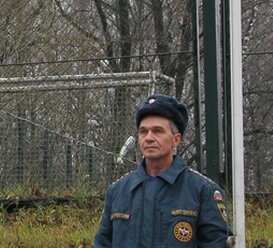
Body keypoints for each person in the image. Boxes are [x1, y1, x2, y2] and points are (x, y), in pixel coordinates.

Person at [94, 94, 231, 247]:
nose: (149, 138)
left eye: (158, 131)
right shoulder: (118, 191)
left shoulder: (202, 190)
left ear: (176, 139)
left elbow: (217, 243)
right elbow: (102, 243)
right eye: (143, 132)